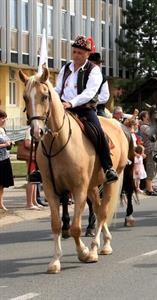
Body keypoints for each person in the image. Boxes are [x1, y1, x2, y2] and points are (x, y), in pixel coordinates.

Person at [55, 35, 118, 183]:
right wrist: (53, 99)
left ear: (87, 54)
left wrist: (71, 103)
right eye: (74, 52)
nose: (76, 55)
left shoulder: (94, 70)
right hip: (63, 108)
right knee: (45, 130)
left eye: (80, 53)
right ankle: (40, 169)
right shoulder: (66, 68)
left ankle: (108, 167)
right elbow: (58, 89)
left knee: (97, 132)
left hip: (84, 109)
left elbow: (89, 93)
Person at [24, 128, 47, 209]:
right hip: (32, 158)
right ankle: (29, 203)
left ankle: (34, 201)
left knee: (35, 180)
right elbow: (27, 144)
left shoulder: (40, 130)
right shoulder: (30, 130)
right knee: (31, 180)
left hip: (37, 157)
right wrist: (40, 146)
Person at [139, 111, 157, 196]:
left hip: (156, 149)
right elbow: (152, 133)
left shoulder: (149, 125)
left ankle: (151, 186)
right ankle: (149, 189)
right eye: (148, 115)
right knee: (150, 169)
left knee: (154, 169)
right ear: (143, 117)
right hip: (151, 150)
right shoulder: (143, 126)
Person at [88, 52, 110, 117]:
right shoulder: (83, 76)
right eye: (93, 63)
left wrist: (92, 101)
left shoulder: (103, 78)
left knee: (103, 120)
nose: (96, 65)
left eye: (97, 64)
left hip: (98, 107)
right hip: (80, 106)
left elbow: (105, 96)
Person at [0, 110, 14, 211]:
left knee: (2, 184)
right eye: (2, 118)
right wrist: (5, 144)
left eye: (5, 118)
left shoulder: (3, 129)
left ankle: (1, 203)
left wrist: (10, 142)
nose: (4, 120)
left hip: (5, 158)